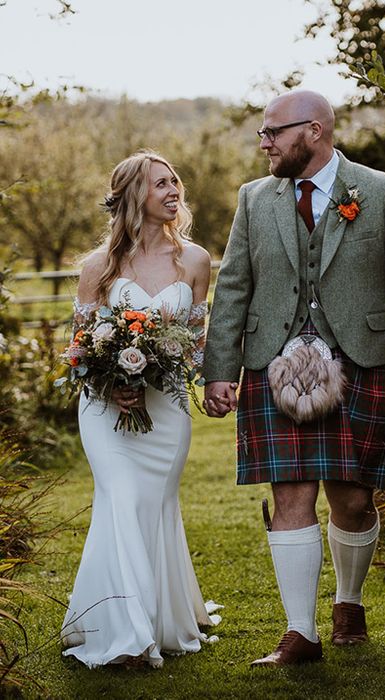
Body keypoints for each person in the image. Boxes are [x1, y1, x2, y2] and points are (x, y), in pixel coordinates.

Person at [203, 90, 385, 666]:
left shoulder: (382, 192)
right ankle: (299, 632)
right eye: (263, 133)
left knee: (354, 499)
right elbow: (233, 285)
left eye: (272, 132)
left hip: (360, 358)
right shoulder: (254, 199)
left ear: (313, 131)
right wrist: (218, 369)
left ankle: (349, 600)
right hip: (273, 362)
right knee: (290, 493)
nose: (264, 143)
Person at [61, 150, 219, 668]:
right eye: (161, 185)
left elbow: (196, 343)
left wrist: (176, 372)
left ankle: (154, 617)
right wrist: (110, 386)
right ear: (135, 196)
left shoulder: (195, 261)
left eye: (175, 182)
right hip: (106, 412)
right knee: (121, 500)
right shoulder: (98, 266)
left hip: (166, 413)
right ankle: (126, 637)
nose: (174, 191)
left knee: (152, 507)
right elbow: (79, 348)